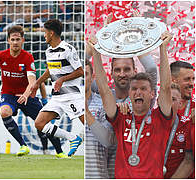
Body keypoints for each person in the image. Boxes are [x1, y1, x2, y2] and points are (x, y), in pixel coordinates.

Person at [88, 31, 173, 178]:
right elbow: (104, 90)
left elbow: (166, 88)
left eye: (143, 89)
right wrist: (96, 52)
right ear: (129, 92)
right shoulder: (121, 118)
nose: (138, 92)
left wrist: (162, 49)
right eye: (134, 89)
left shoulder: (161, 118)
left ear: (152, 94)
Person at [0, 25, 66, 157]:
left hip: (27, 96)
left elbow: (33, 81)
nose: (15, 42)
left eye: (17, 39)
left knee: (43, 123)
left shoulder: (27, 58)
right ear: (8, 41)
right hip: (8, 95)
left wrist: (26, 95)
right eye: (12, 39)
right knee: (4, 112)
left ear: (23, 40)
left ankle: (60, 152)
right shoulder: (0, 56)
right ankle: (23, 146)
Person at [31, 19, 84, 157]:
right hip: (57, 97)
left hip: (71, 95)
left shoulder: (68, 49)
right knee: (39, 123)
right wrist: (37, 83)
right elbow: (50, 70)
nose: (44, 36)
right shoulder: (49, 51)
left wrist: (62, 79)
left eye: (45, 33)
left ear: (51, 33)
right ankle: (73, 138)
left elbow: (80, 71)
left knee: (89, 126)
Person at [166, 61, 195, 178]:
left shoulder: (194, 111)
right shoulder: (162, 111)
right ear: (173, 80)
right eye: (187, 79)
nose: (192, 83)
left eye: (193, 79)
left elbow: (190, 161)